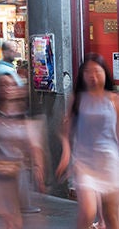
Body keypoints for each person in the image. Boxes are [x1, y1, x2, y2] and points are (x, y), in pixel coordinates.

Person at [56, 54, 119, 229]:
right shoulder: (77, 99)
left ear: (105, 73)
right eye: (88, 72)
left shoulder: (114, 99)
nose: (93, 76)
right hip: (84, 163)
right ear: (82, 75)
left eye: (97, 71)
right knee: (88, 211)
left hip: (109, 162)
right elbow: (65, 130)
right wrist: (66, 154)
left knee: (111, 215)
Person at [0, 72, 43, 229]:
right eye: (3, 85)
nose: (7, 89)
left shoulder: (23, 114)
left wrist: (37, 166)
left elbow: (34, 143)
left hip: (18, 172)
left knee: (14, 216)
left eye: (10, 85)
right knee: (7, 216)